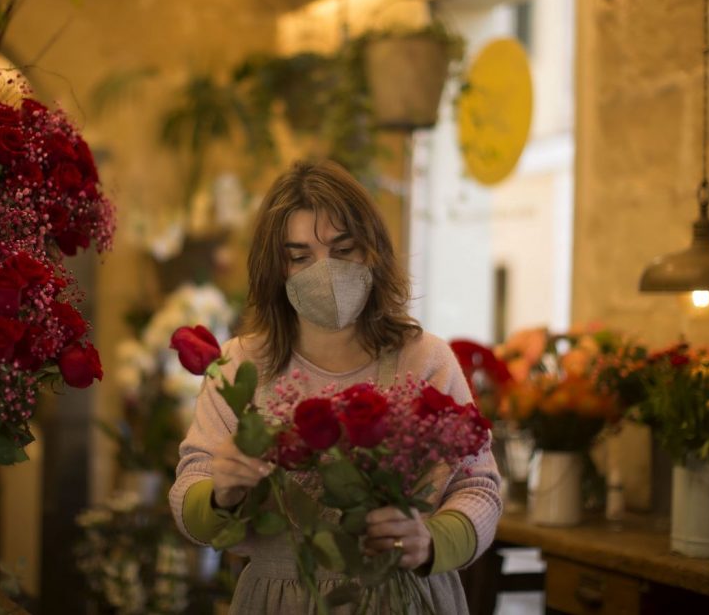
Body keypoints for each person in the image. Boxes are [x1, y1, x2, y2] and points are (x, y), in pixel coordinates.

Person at [169, 160, 502, 613]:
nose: (324, 272)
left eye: (343, 250)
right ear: (277, 269)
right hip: (279, 599)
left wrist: (430, 541)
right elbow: (191, 496)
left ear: (372, 253)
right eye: (301, 256)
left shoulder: (426, 359)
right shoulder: (239, 368)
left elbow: (478, 486)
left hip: (408, 597)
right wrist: (221, 492)